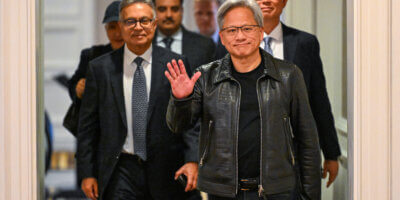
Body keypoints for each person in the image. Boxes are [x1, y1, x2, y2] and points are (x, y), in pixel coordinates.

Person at [165, 0, 321, 199]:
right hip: (223, 191)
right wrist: (181, 99)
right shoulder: (205, 77)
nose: (240, 36)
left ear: (260, 31)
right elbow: (179, 125)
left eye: (247, 28)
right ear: (222, 37)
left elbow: (307, 140)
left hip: (276, 190)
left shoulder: (288, 75)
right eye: (231, 30)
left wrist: (311, 195)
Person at [76, 1, 201, 199]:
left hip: (167, 169)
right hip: (120, 169)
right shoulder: (100, 69)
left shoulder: (175, 63)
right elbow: (87, 127)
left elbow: (190, 120)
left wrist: (193, 160)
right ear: (121, 25)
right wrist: (86, 173)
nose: (138, 27)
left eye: (144, 20)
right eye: (130, 21)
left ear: (154, 24)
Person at [254, 0, 341, 187]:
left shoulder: (305, 43)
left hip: (296, 156)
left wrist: (331, 153)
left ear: (284, 1)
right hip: (250, 155)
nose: (266, 1)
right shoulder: (234, 43)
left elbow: (318, 100)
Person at [68, 1, 124, 102]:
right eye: (112, 27)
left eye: (121, 27)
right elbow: (73, 85)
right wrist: (78, 89)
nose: (117, 33)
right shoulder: (92, 56)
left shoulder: (141, 57)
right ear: (106, 29)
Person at [152, 0, 216, 71]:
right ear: (154, 12)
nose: (169, 15)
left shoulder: (205, 46)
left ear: (182, 11)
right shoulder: (143, 45)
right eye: (162, 9)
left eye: (175, 9)